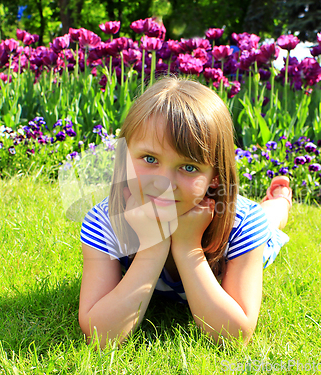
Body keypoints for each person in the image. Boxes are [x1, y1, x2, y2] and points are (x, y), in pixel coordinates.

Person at [79, 77, 292, 349]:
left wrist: (188, 247)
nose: (164, 183)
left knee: (270, 222)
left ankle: (279, 201)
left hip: (238, 225)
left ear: (215, 176)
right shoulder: (104, 222)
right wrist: (153, 247)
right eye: (150, 159)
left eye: (189, 167)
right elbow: (100, 335)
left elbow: (234, 336)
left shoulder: (245, 225)